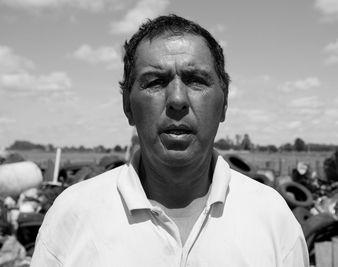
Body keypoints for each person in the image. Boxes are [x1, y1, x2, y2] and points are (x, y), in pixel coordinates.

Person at [31, 14, 309, 266]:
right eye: (155, 82)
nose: (177, 99)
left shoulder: (272, 218)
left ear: (223, 104)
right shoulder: (73, 216)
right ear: (128, 106)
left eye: (196, 80)